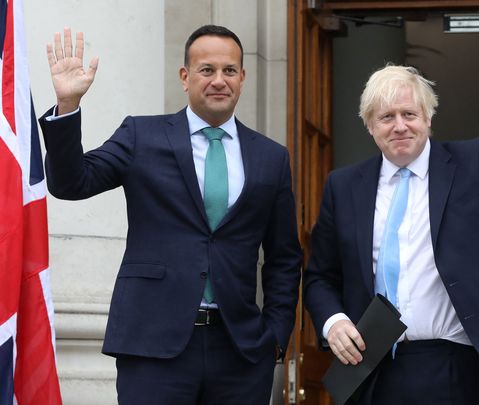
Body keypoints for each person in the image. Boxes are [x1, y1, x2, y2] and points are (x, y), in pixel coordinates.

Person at [303, 14, 479, 404]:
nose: (399, 126)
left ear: (429, 118)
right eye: (386, 117)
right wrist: (333, 322)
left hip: (454, 368)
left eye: (409, 114)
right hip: (371, 371)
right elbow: (319, 276)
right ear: (370, 126)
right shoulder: (343, 186)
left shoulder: (478, 163)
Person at [39, 24, 302, 404]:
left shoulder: (271, 157)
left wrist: (276, 336)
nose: (219, 81)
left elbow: (284, 257)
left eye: (229, 71)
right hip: (152, 348)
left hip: (240, 352)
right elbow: (70, 183)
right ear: (185, 76)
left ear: (243, 78)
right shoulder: (140, 136)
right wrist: (67, 107)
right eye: (206, 70)